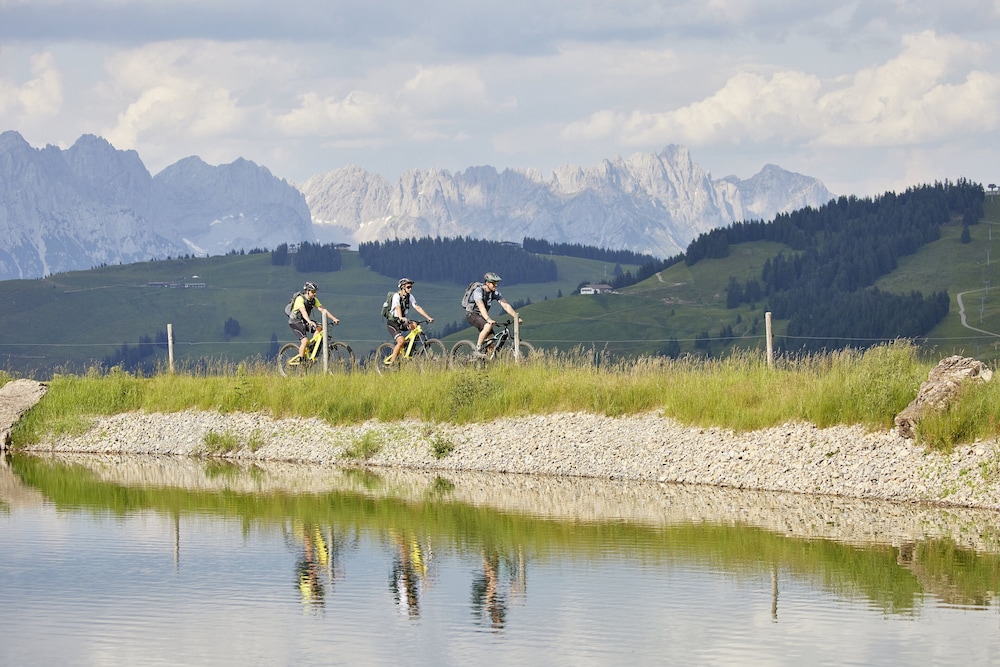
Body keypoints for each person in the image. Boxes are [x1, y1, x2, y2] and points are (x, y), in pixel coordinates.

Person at [465, 272, 521, 357]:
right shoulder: (478, 291)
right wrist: (488, 319)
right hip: (472, 314)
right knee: (487, 325)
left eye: (496, 283)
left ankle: (488, 362)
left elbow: (505, 305)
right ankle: (477, 350)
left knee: (491, 341)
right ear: (487, 283)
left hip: (482, 316)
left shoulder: (494, 292)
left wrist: (516, 317)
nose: (496, 285)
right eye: (494, 283)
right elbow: (481, 306)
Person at [385, 277, 434, 365]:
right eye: (408, 287)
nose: (410, 289)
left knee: (415, 326)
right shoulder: (396, 296)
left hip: (402, 321)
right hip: (393, 323)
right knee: (401, 341)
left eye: (411, 287)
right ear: (402, 287)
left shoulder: (410, 296)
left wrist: (428, 317)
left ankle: (409, 350)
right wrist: (401, 317)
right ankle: (392, 363)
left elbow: (417, 307)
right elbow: (398, 307)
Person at [289, 281, 339, 360]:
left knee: (320, 327)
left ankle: (312, 346)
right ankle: (302, 363)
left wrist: (334, 318)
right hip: (295, 321)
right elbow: (303, 312)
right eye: (313, 292)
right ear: (307, 291)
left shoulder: (314, 300)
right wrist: (309, 321)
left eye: (315, 291)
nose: (314, 293)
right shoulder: (300, 299)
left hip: (305, 321)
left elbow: (323, 310)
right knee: (305, 341)